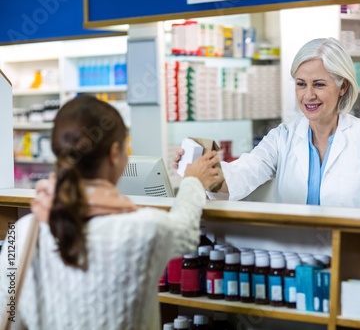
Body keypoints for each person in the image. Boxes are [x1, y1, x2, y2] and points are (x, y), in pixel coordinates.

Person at [0, 95, 222, 330]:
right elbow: (185, 230)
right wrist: (193, 181)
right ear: (115, 153)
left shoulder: (23, 232)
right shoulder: (142, 229)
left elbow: (8, 314)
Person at [174, 37, 360, 210]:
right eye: (301, 84)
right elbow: (243, 174)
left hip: (348, 256)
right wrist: (201, 167)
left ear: (342, 86)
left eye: (319, 84)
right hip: (294, 257)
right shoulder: (282, 137)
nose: (308, 95)